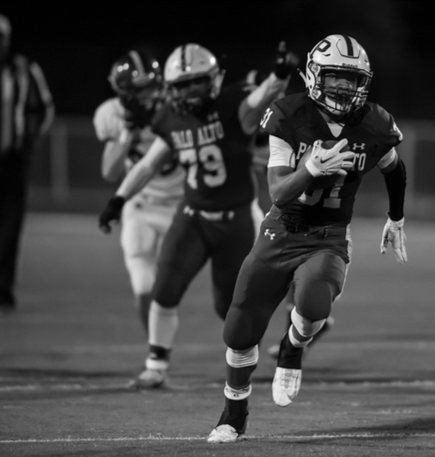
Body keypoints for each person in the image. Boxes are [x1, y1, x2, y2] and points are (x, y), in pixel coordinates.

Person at [208, 34, 408, 443]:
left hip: (329, 236)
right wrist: (311, 168)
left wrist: (396, 217)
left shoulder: (373, 123)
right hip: (280, 230)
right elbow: (279, 192)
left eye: (351, 80)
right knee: (239, 330)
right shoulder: (288, 113)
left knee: (315, 302)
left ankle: (293, 347)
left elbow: (393, 166)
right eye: (334, 77)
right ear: (316, 75)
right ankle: (234, 413)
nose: (342, 87)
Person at [98, 42, 298, 388]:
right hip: (192, 216)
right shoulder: (170, 119)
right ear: (171, 88)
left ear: (214, 81)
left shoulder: (232, 107)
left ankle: (261, 347)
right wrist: (118, 199)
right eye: (182, 84)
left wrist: (279, 74)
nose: (190, 91)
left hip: (235, 220)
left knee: (230, 306)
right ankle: (156, 365)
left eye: (197, 82)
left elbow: (261, 97)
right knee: (164, 287)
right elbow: (148, 163)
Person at [93, 49, 185, 332]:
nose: (149, 95)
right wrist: (126, 134)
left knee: (169, 285)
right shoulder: (111, 114)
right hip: (141, 203)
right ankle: (156, 353)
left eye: (152, 87)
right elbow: (109, 171)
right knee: (143, 282)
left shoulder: (177, 106)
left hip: (181, 205)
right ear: (122, 91)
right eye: (139, 89)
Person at [0, 13, 54, 313]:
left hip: (12, 157)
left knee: (10, 224)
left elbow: (44, 106)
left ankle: (3, 287)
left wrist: (29, 142)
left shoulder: (23, 70)